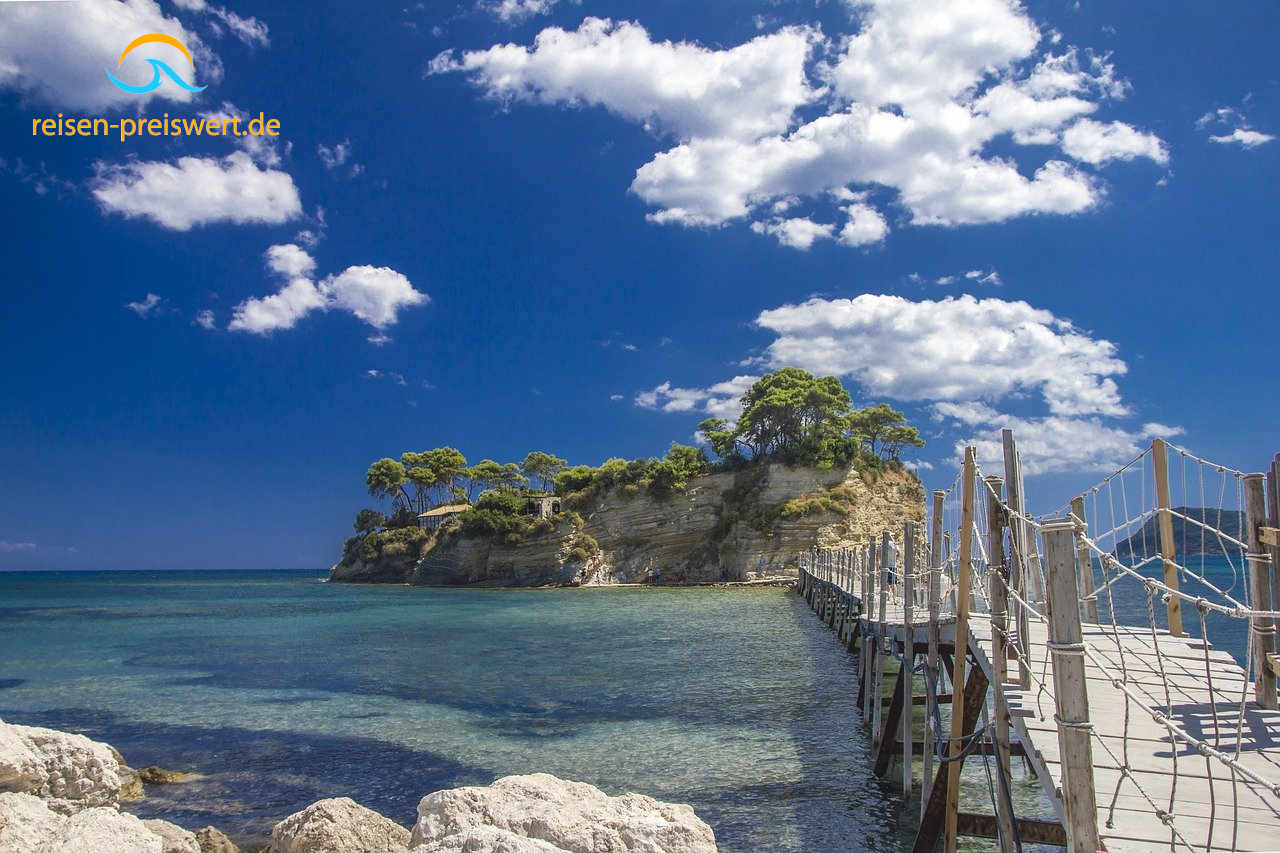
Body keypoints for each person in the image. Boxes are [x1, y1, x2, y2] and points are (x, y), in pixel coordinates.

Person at [884, 538, 899, 604]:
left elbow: (878, 555)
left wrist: (879, 563)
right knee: (893, 583)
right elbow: (899, 553)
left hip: (885, 566)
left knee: (886, 582)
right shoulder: (895, 545)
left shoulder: (883, 545)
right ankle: (894, 599)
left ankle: (887, 597)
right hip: (893, 566)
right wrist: (895, 559)